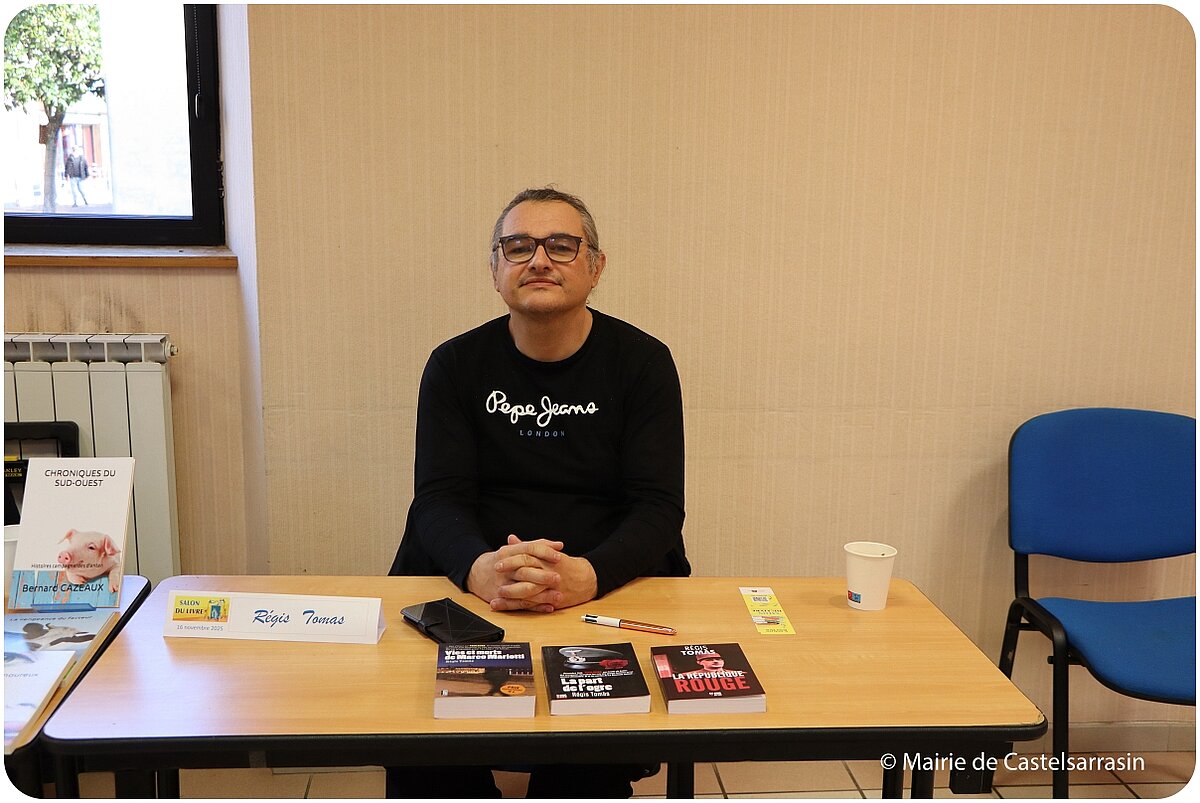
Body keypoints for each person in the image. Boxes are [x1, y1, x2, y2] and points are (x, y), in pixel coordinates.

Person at [387, 187, 690, 798]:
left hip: (600, 582)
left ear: (595, 266)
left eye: (561, 246)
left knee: (585, 762)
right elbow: (438, 498)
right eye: (519, 246)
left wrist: (589, 575)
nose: (540, 260)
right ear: (495, 268)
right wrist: (480, 569)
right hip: (475, 584)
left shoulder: (643, 362)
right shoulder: (454, 364)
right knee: (424, 750)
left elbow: (658, 505)